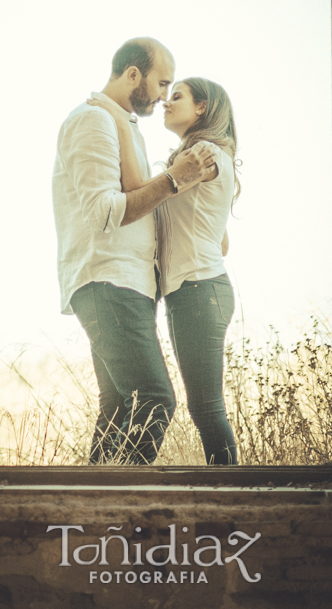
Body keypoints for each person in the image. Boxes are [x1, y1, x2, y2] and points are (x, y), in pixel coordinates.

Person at [52, 38, 216, 465]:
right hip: (108, 281)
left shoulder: (120, 125)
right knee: (157, 399)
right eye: (161, 84)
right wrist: (174, 180)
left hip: (124, 285)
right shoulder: (92, 121)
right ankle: (119, 501)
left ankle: (92, 504)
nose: (164, 96)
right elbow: (105, 212)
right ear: (132, 75)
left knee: (120, 407)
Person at [88, 76, 240, 465]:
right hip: (195, 289)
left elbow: (139, 188)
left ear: (203, 108)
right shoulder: (194, 156)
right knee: (203, 406)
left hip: (199, 288)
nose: (167, 103)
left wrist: (117, 119)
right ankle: (225, 491)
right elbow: (221, 240)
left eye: (178, 97)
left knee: (206, 407)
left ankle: (229, 497)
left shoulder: (203, 152)